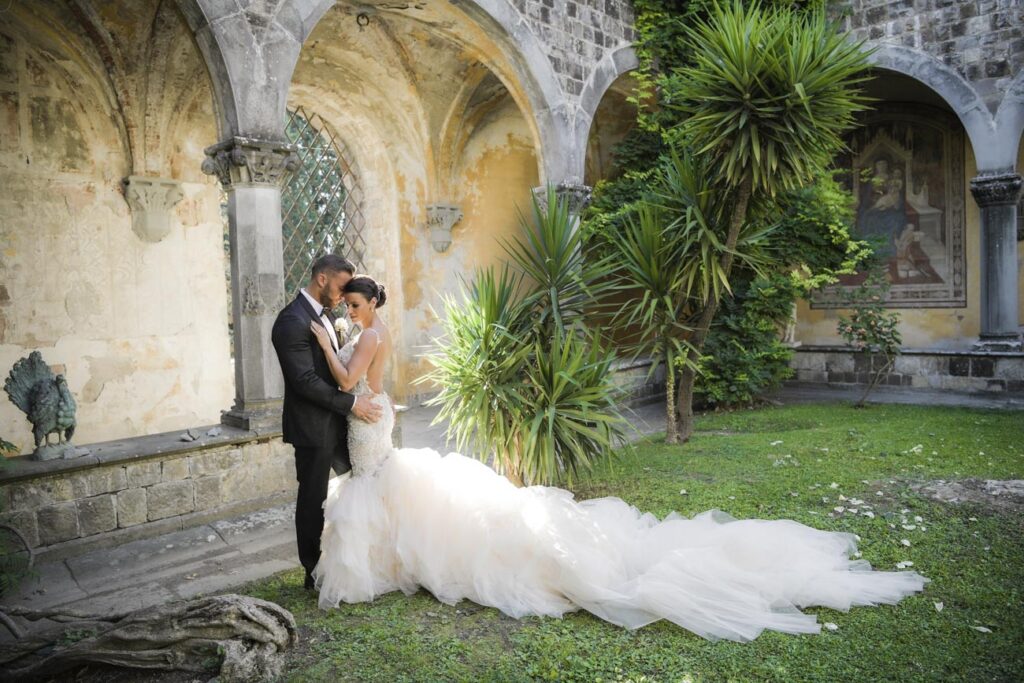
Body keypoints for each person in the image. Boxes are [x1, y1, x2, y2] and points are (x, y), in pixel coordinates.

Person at [309, 274, 928, 642]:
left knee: (385, 491)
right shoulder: (371, 333)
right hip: (375, 416)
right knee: (388, 492)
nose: (349, 313)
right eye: (347, 308)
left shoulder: (366, 337)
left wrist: (325, 344)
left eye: (355, 307)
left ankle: (389, 567)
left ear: (371, 308)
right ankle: (394, 565)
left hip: (365, 414)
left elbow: (344, 382)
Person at [271, 255, 382, 591]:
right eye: (339, 287)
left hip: (341, 425)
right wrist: (352, 403)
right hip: (312, 428)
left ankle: (362, 556)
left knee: (361, 486)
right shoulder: (291, 321)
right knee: (313, 499)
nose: (342, 296)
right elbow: (304, 381)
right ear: (322, 278)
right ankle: (313, 571)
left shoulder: (329, 316)